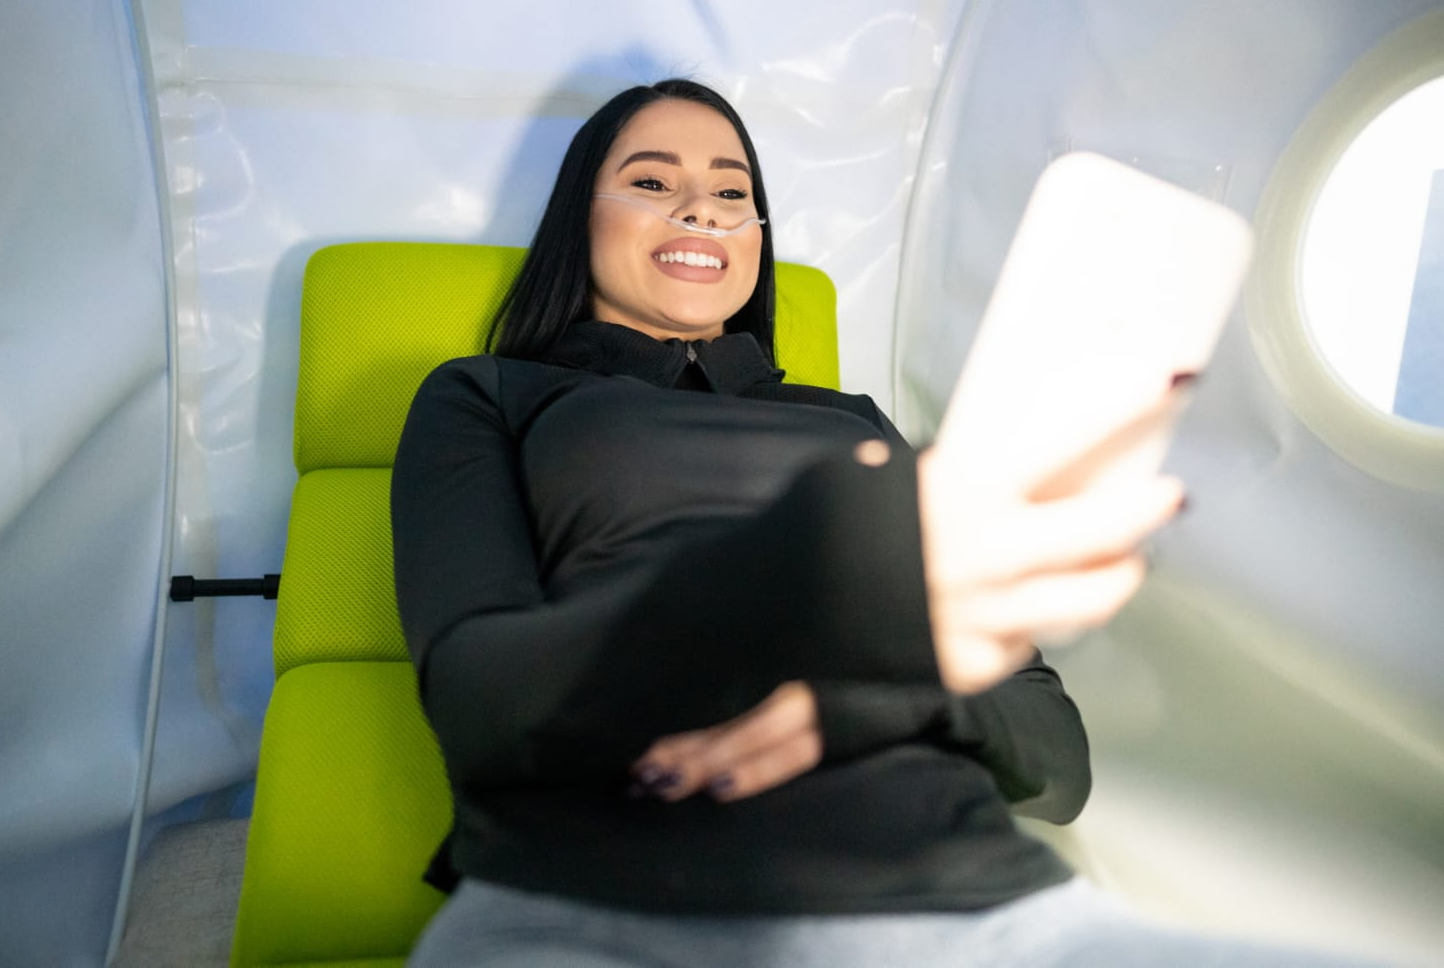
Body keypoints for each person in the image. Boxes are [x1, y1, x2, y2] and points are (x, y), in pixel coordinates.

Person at [391, 79, 1384, 966]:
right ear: (579, 217)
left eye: (733, 192)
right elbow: (482, 700)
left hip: (967, 903)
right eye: (652, 181)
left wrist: (857, 707)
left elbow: (1056, 757)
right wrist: (818, 569)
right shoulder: (494, 395)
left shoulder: (851, 423)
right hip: (597, 898)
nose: (701, 206)